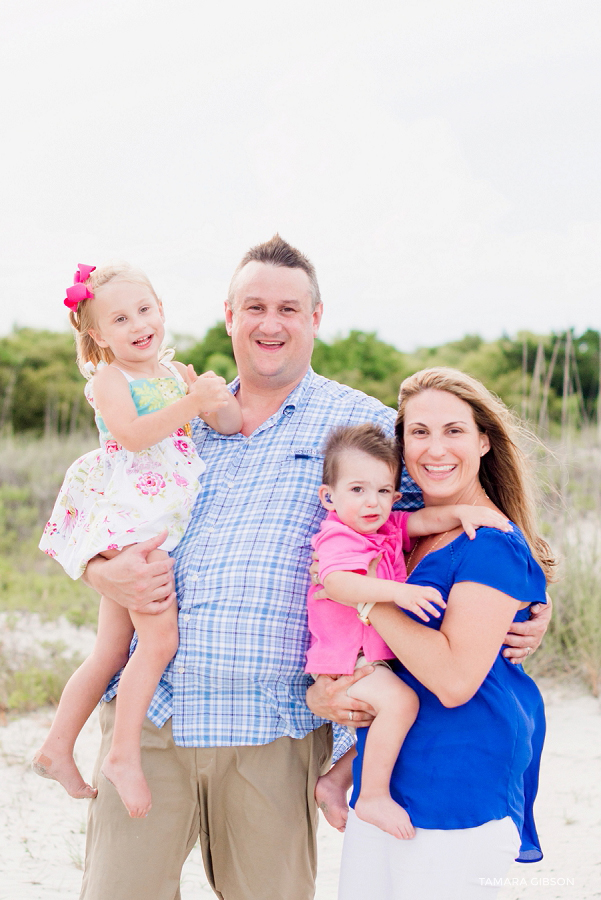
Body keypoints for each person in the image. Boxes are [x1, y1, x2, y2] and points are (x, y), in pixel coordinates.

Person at [77, 237, 551, 900]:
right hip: (154, 717)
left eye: (288, 309)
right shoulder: (178, 414)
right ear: (228, 316)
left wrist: (533, 600)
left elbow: (458, 504)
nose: (270, 323)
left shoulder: (363, 425)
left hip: (276, 730)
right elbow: (101, 509)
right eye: (254, 307)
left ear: (316, 318)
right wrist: (100, 572)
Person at [314, 367, 555, 900]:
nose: (434, 448)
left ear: (484, 441)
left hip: (458, 777)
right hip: (387, 775)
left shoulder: (490, 543)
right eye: (418, 432)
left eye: (454, 430)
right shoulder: (399, 523)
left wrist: (370, 598)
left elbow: (452, 680)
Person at [35, 263, 241, 819]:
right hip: (135, 522)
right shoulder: (110, 379)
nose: (137, 325)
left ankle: (56, 746)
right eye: (119, 319)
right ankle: (124, 754)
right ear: (98, 335)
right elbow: (132, 434)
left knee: (109, 649)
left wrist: (212, 399)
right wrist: (190, 403)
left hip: (161, 520)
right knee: (157, 642)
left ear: (161, 309)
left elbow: (225, 424)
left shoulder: (175, 374)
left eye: (144, 310)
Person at [306, 422, 513, 840]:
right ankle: (372, 796)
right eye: (358, 490)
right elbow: (338, 584)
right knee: (400, 704)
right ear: (329, 497)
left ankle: (333, 782)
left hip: (370, 657)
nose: (373, 502)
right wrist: (397, 593)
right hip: (350, 660)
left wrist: (461, 513)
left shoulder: (383, 530)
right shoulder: (339, 537)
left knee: (404, 705)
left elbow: (420, 521)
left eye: (384, 491)